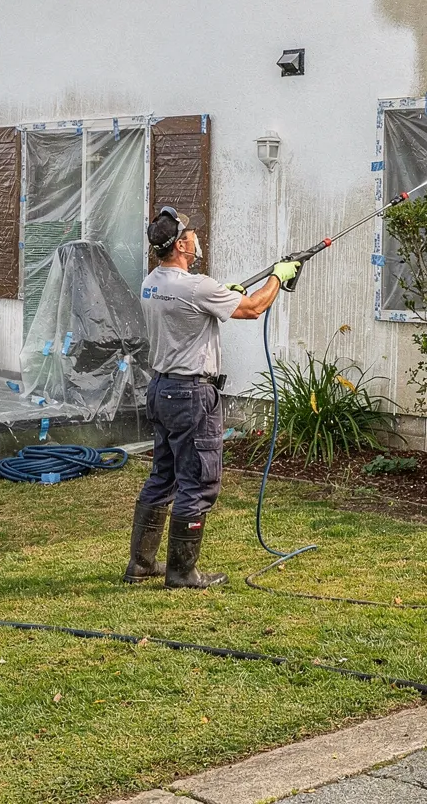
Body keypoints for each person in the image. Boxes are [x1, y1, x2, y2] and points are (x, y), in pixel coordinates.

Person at [123, 207, 298, 588]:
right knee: (198, 482)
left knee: (163, 476)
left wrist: (224, 296)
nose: (197, 238)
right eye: (192, 234)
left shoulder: (152, 282)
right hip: (190, 394)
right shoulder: (195, 286)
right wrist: (277, 277)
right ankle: (182, 573)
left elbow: (198, 305)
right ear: (182, 245)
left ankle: (141, 565)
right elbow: (253, 309)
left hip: (161, 389)